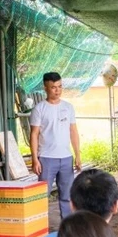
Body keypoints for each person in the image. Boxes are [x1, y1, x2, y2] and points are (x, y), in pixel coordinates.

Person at [30, 72, 81, 220]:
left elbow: (73, 131)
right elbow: (34, 134)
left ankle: (68, 226)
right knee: (42, 195)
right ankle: (38, 227)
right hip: (46, 158)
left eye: (59, 87)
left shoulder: (68, 107)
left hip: (66, 158)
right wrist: (35, 159)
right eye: (53, 87)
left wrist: (77, 155)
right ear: (45, 88)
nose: (57, 90)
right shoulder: (39, 109)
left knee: (67, 195)